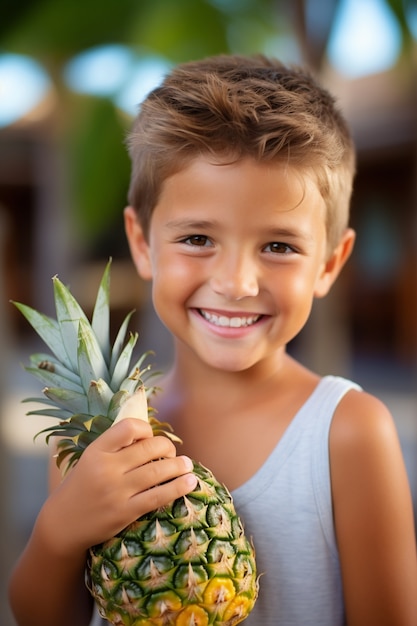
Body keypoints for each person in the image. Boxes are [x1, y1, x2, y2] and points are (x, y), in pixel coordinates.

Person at [9, 54, 417, 626]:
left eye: (279, 246)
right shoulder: (96, 441)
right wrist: (57, 533)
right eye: (198, 237)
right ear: (143, 242)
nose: (235, 283)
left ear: (330, 262)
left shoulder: (348, 433)